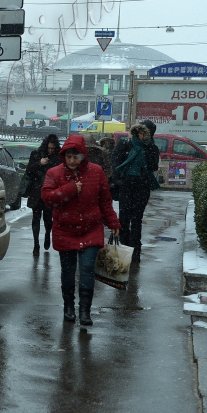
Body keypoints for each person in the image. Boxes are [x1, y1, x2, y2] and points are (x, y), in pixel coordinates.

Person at [42, 134, 121, 326]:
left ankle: (85, 311)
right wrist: (70, 189)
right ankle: (69, 307)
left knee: (87, 269)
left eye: (75, 157)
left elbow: (104, 200)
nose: (71, 161)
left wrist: (113, 222)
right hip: (65, 230)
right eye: (68, 156)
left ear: (83, 156)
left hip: (91, 228)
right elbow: (48, 198)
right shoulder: (54, 173)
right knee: (68, 272)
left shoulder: (96, 172)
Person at [111, 121, 160, 263]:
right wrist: (119, 181)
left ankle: (135, 251)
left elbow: (153, 166)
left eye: (148, 134)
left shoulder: (152, 148)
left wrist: (148, 149)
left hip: (142, 188)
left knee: (137, 220)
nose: (145, 136)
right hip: (126, 187)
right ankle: (123, 248)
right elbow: (115, 163)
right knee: (124, 219)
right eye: (142, 132)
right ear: (137, 131)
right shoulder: (125, 144)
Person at [25, 134, 61, 256]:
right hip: (36, 193)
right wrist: (40, 163)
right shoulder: (36, 154)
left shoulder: (57, 158)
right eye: (49, 148)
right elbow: (28, 171)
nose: (50, 151)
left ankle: (47, 234)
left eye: (53, 148)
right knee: (36, 219)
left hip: (50, 194)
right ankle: (36, 244)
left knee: (48, 219)